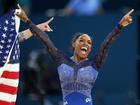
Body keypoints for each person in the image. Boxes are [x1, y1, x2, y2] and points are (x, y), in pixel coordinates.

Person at [16, 4, 133, 105]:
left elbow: (106, 44)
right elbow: (45, 40)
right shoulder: (61, 59)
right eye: (81, 40)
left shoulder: (95, 63)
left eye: (89, 43)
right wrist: (27, 20)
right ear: (73, 44)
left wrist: (119, 26)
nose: (85, 44)